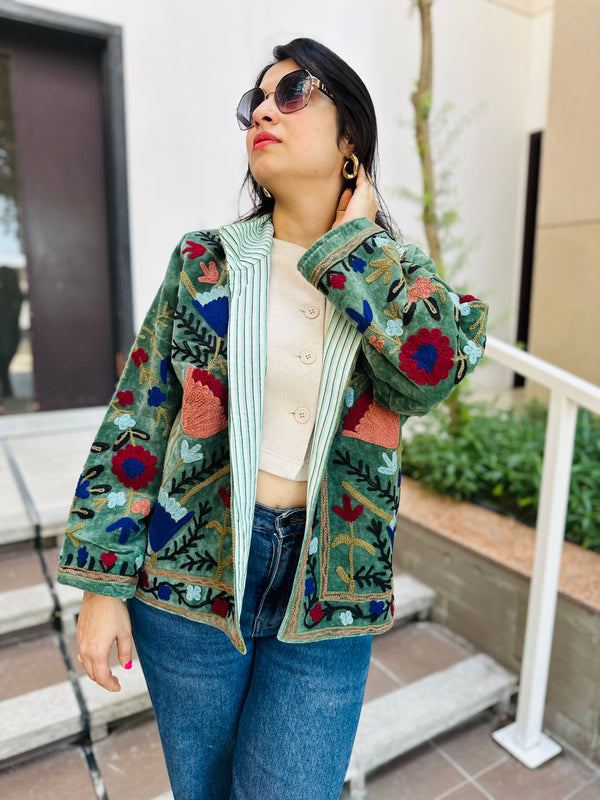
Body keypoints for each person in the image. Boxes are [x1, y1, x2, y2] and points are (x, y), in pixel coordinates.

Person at [57, 37, 488, 800]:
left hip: (331, 589)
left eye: (293, 92)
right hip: (191, 570)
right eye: (253, 101)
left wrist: (353, 249)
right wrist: (101, 586)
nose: (263, 110)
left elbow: (432, 370)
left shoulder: (396, 276)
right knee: (204, 790)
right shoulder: (207, 261)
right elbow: (139, 418)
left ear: (351, 138)